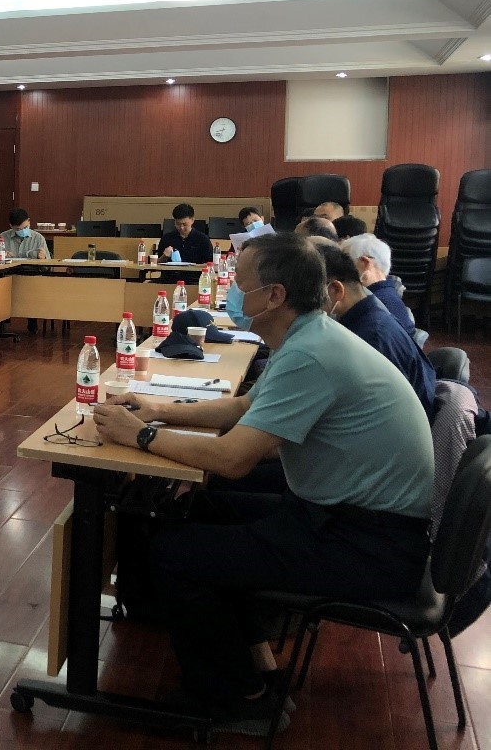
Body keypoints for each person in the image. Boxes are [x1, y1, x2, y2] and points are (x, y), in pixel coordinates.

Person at [94, 233, 433, 735]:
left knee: (175, 553)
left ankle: (237, 700)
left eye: (240, 282)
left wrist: (140, 436)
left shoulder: (310, 353)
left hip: (366, 543)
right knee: (197, 509)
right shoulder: (309, 336)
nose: (232, 290)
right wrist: (158, 410)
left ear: (274, 295)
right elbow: (246, 407)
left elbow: (233, 459)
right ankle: (247, 664)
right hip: (346, 519)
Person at [312, 239, 435, 416]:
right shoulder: (366, 313)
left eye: (311, 291)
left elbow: (368, 407)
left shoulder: (371, 335)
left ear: (336, 290)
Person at [341, 233, 414, 334]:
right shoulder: (388, 295)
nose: (340, 270)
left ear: (364, 263)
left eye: (344, 263)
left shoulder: (375, 304)